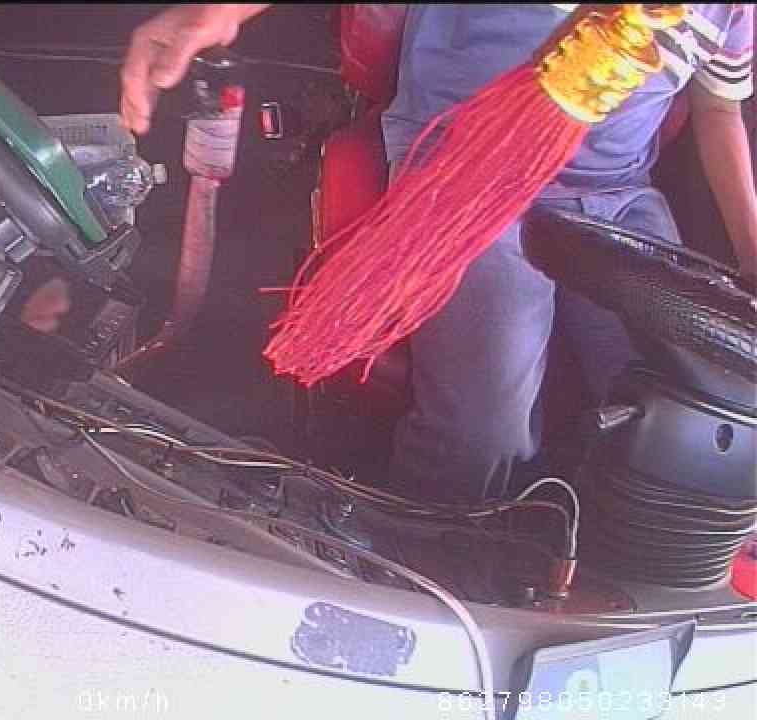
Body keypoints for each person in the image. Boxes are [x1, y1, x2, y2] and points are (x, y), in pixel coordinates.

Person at [119, 4, 756, 502]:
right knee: (485, 432)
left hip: (616, 198)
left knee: (700, 421)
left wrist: (751, 250)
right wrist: (221, 12)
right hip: (470, 170)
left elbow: (719, 107)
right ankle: (421, 550)